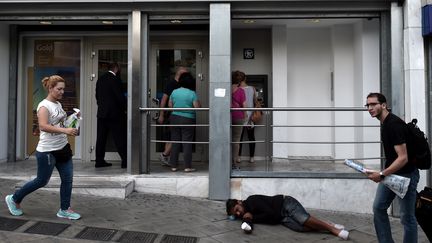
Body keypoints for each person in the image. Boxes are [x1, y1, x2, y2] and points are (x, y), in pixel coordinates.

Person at [5, 75, 81, 220]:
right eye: (59, 89)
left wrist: (74, 119)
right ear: (50, 88)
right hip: (47, 151)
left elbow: (60, 124)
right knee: (42, 181)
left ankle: (64, 209)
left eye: (63, 89)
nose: (62, 92)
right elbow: (43, 126)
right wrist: (65, 131)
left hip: (62, 148)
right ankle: (14, 199)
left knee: (68, 179)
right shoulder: (44, 106)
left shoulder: (58, 105)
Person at [365, 92, 419, 243]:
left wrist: (381, 174)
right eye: (368, 105)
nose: (370, 108)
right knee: (378, 208)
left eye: (373, 104)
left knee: (407, 217)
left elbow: (403, 158)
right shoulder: (386, 123)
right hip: (392, 174)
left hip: (406, 175)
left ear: (383, 105)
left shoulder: (393, 125)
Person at [226, 194, 349, 240]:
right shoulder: (246, 216)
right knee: (302, 228)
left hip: (285, 204)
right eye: (235, 214)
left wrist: (253, 217)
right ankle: (328, 224)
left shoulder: (252, 200)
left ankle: (335, 230)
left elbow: (270, 213)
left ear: (239, 202)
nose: (238, 214)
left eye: (237, 210)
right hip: (282, 218)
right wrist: (249, 219)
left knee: (303, 219)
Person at [95, 62, 127, 168]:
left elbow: (97, 96)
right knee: (119, 137)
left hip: (102, 113)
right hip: (115, 114)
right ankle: (125, 160)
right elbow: (119, 97)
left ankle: (99, 161)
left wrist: (102, 107)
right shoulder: (115, 80)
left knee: (101, 138)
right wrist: (125, 108)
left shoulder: (101, 79)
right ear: (116, 69)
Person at [166, 72, 200, 172]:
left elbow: (170, 105)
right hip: (188, 119)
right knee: (187, 143)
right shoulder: (192, 93)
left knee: (175, 142)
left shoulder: (174, 92)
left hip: (174, 117)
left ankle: (173, 165)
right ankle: (187, 166)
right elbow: (197, 107)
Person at [158, 66, 189, 164]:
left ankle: (167, 158)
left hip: (174, 115)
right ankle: (164, 155)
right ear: (180, 74)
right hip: (171, 115)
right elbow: (164, 99)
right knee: (175, 137)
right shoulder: (171, 84)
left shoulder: (180, 84)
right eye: (186, 74)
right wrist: (161, 114)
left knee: (170, 137)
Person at [235, 70, 257, 163]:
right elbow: (255, 101)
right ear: (245, 78)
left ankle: (238, 157)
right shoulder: (253, 88)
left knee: (238, 138)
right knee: (251, 137)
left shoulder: (236, 89)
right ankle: (252, 157)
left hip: (240, 115)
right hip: (251, 116)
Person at [231, 72, 247, 167]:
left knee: (226, 139)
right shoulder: (241, 91)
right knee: (236, 140)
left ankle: (225, 161)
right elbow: (244, 106)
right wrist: (245, 116)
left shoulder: (226, 88)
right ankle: (234, 163)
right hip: (238, 117)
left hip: (227, 116)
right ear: (240, 81)